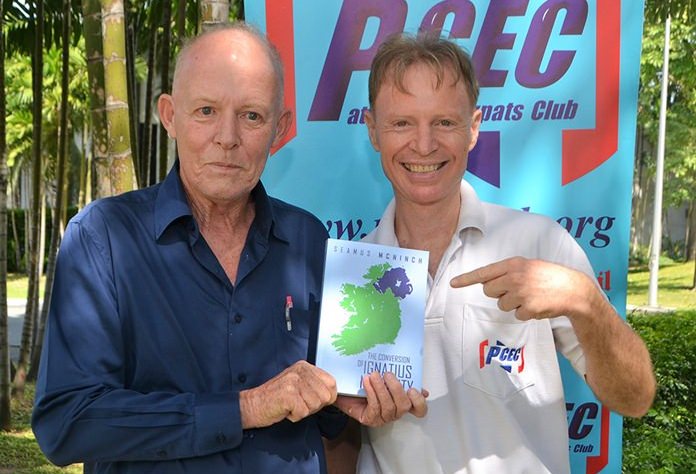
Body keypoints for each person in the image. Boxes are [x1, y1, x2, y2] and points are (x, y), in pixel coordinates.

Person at [32, 23, 425, 474]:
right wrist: (246, 407)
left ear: (281, 128)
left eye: (252, 116)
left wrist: (349, 400)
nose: (228, 137)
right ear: (169, 115)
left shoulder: (309, 240)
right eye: (205, 111)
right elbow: (67, 422)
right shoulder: (103, 239)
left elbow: (330, 414)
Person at [328, 32, 656, 474]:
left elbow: (635, 399)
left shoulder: (540, 242)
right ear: (372, 130)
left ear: (474, 128)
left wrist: (585, 300)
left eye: (444, 122)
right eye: (402, 123)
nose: (423, 145)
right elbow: (341, 439)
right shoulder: (355, 272)